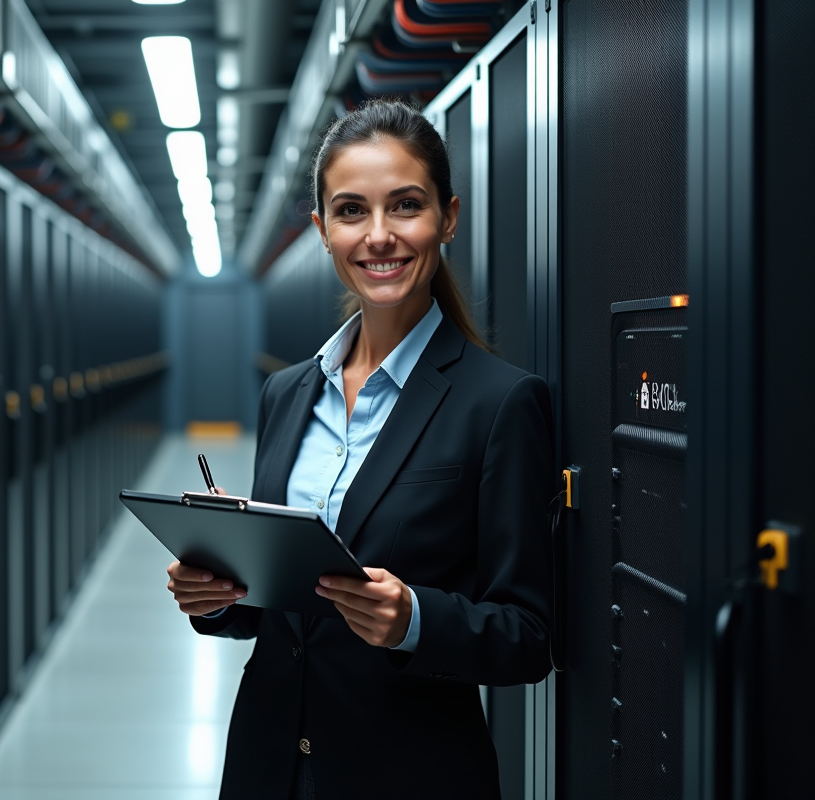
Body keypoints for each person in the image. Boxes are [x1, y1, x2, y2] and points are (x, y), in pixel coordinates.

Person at [165, 98, 555, 800]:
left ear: (449, 218)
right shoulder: (287, 394)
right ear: (322, 230)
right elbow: (278, 610)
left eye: (405, 205)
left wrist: (414, 620)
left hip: (408, 773)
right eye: (351, 211)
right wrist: (218, 597)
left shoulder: (500, 402)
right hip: (269, 762)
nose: (379, 235)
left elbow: (527, 635)